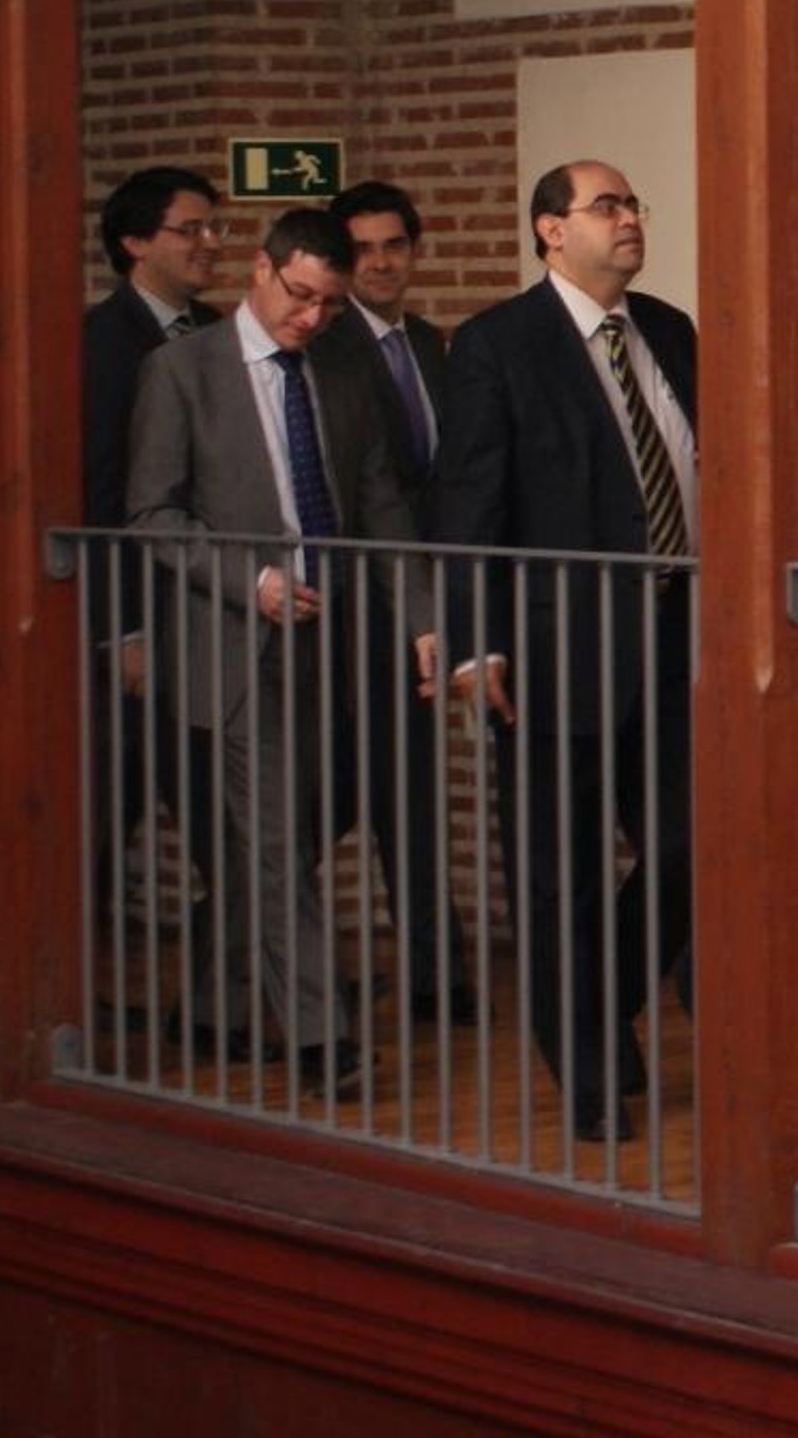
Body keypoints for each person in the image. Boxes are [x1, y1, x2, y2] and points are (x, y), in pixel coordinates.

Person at [126, 208, 432, 1096]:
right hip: (235, 641)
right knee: (272, 842)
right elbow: (151, 513)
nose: (311, 317)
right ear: (260, 269)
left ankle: (211, 1002)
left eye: (329, 304)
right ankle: (322, 1038)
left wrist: (421, 615)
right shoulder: (181, 371)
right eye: (299, 296)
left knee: (288, 835)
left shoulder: (341, 368)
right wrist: (248, 579)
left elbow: (381, 503)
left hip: (333, 641)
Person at [431, 159, 697, 1145]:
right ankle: (585, 1072)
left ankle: (599, 1001)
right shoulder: (499, 343)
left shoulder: (669, 329)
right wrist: (474, 641)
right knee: (560, 872)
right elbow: (468, 501)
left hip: (673, 633)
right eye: (606, 206)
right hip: (555, 646)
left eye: (632, 204)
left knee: (691, 842)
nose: (629, 219)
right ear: (550, 229)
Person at [315, 179, 473, 1026]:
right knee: (338, 796)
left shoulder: (429, 343)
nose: (380, 263)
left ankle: (434, 975)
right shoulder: (326, 347)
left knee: (411, 790)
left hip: (420, 603)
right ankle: (233, 943)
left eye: (394, 245)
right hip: (347, 609)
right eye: (362, 249)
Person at [81, 167, 225, 920]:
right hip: (139, 613)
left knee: (216, 805)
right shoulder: (102, 343)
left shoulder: (218, 328)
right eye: (189, 229)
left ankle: (246, 966)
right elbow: (103, 489)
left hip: (210, 604)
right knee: (109, 800)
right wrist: (125, 629)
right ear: (135, 243)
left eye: (214, 227)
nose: (210, 243)